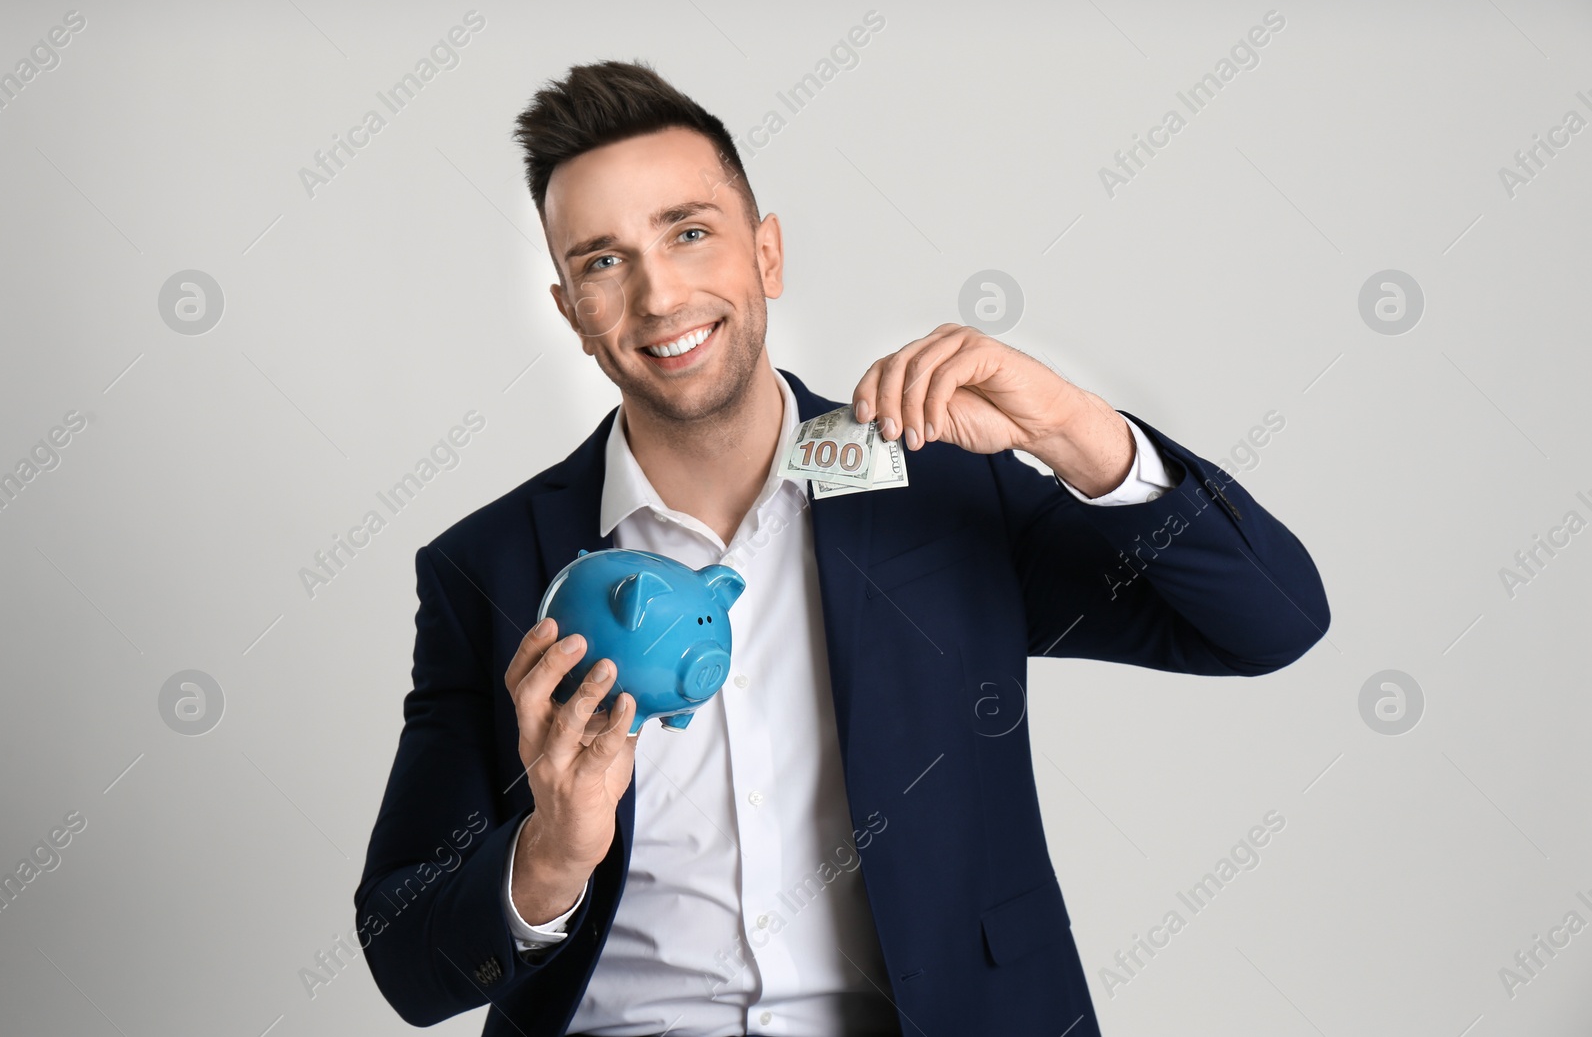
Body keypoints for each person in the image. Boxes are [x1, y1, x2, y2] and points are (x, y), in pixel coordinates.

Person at [354, 59, 1330, 1037]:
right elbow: (407, 958)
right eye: (603, 261)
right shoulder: (485, 569)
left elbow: (1270, 621)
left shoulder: (940, 487)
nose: (658, 295)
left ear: (766, 256)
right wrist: (550, 854)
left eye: (689, 232)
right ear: (571, 310)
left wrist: (1074, 427)